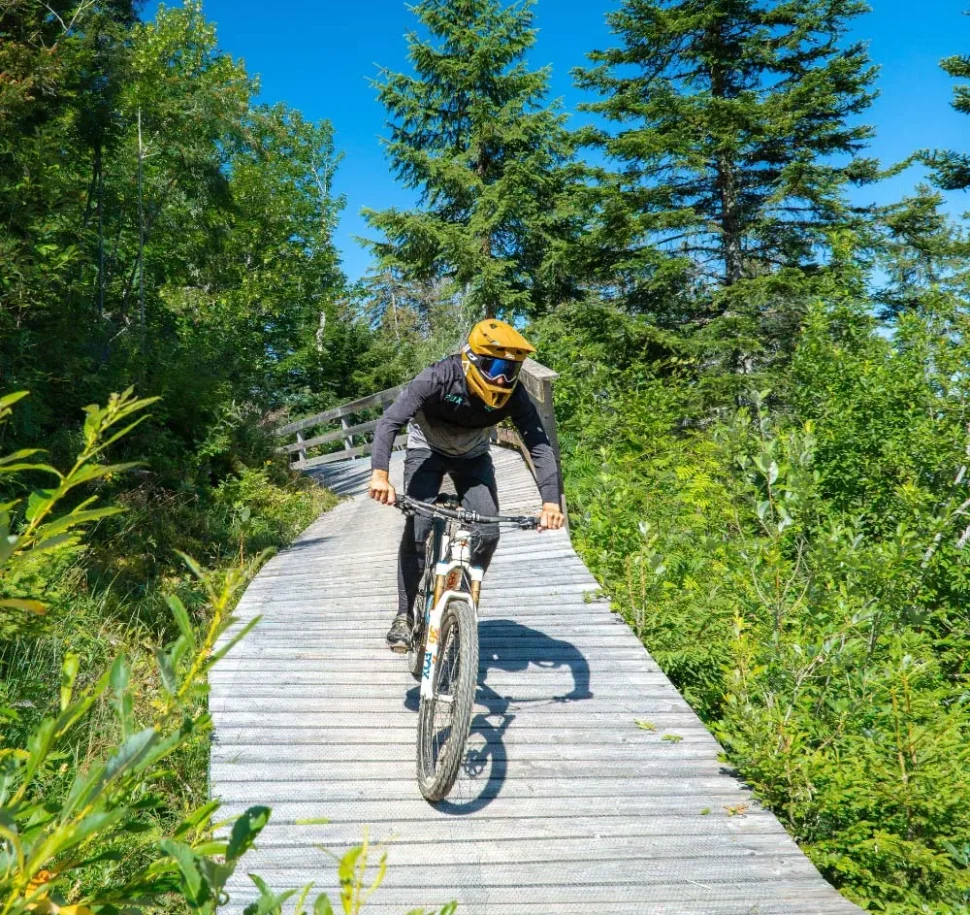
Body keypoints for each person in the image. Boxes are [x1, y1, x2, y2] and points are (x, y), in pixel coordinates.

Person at [368, 318, 566, 651]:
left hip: (473, 455)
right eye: (495, 366)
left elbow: (538, 442)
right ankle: (404, 616)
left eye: (511, 369)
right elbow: (391, 421)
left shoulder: (512, 394)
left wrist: (550, 502)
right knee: (418, 526)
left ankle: (464, 599)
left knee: (488, 531)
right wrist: (380, 473)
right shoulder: (438, 376)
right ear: (471, 359)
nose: (502, 377)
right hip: (426, 448)